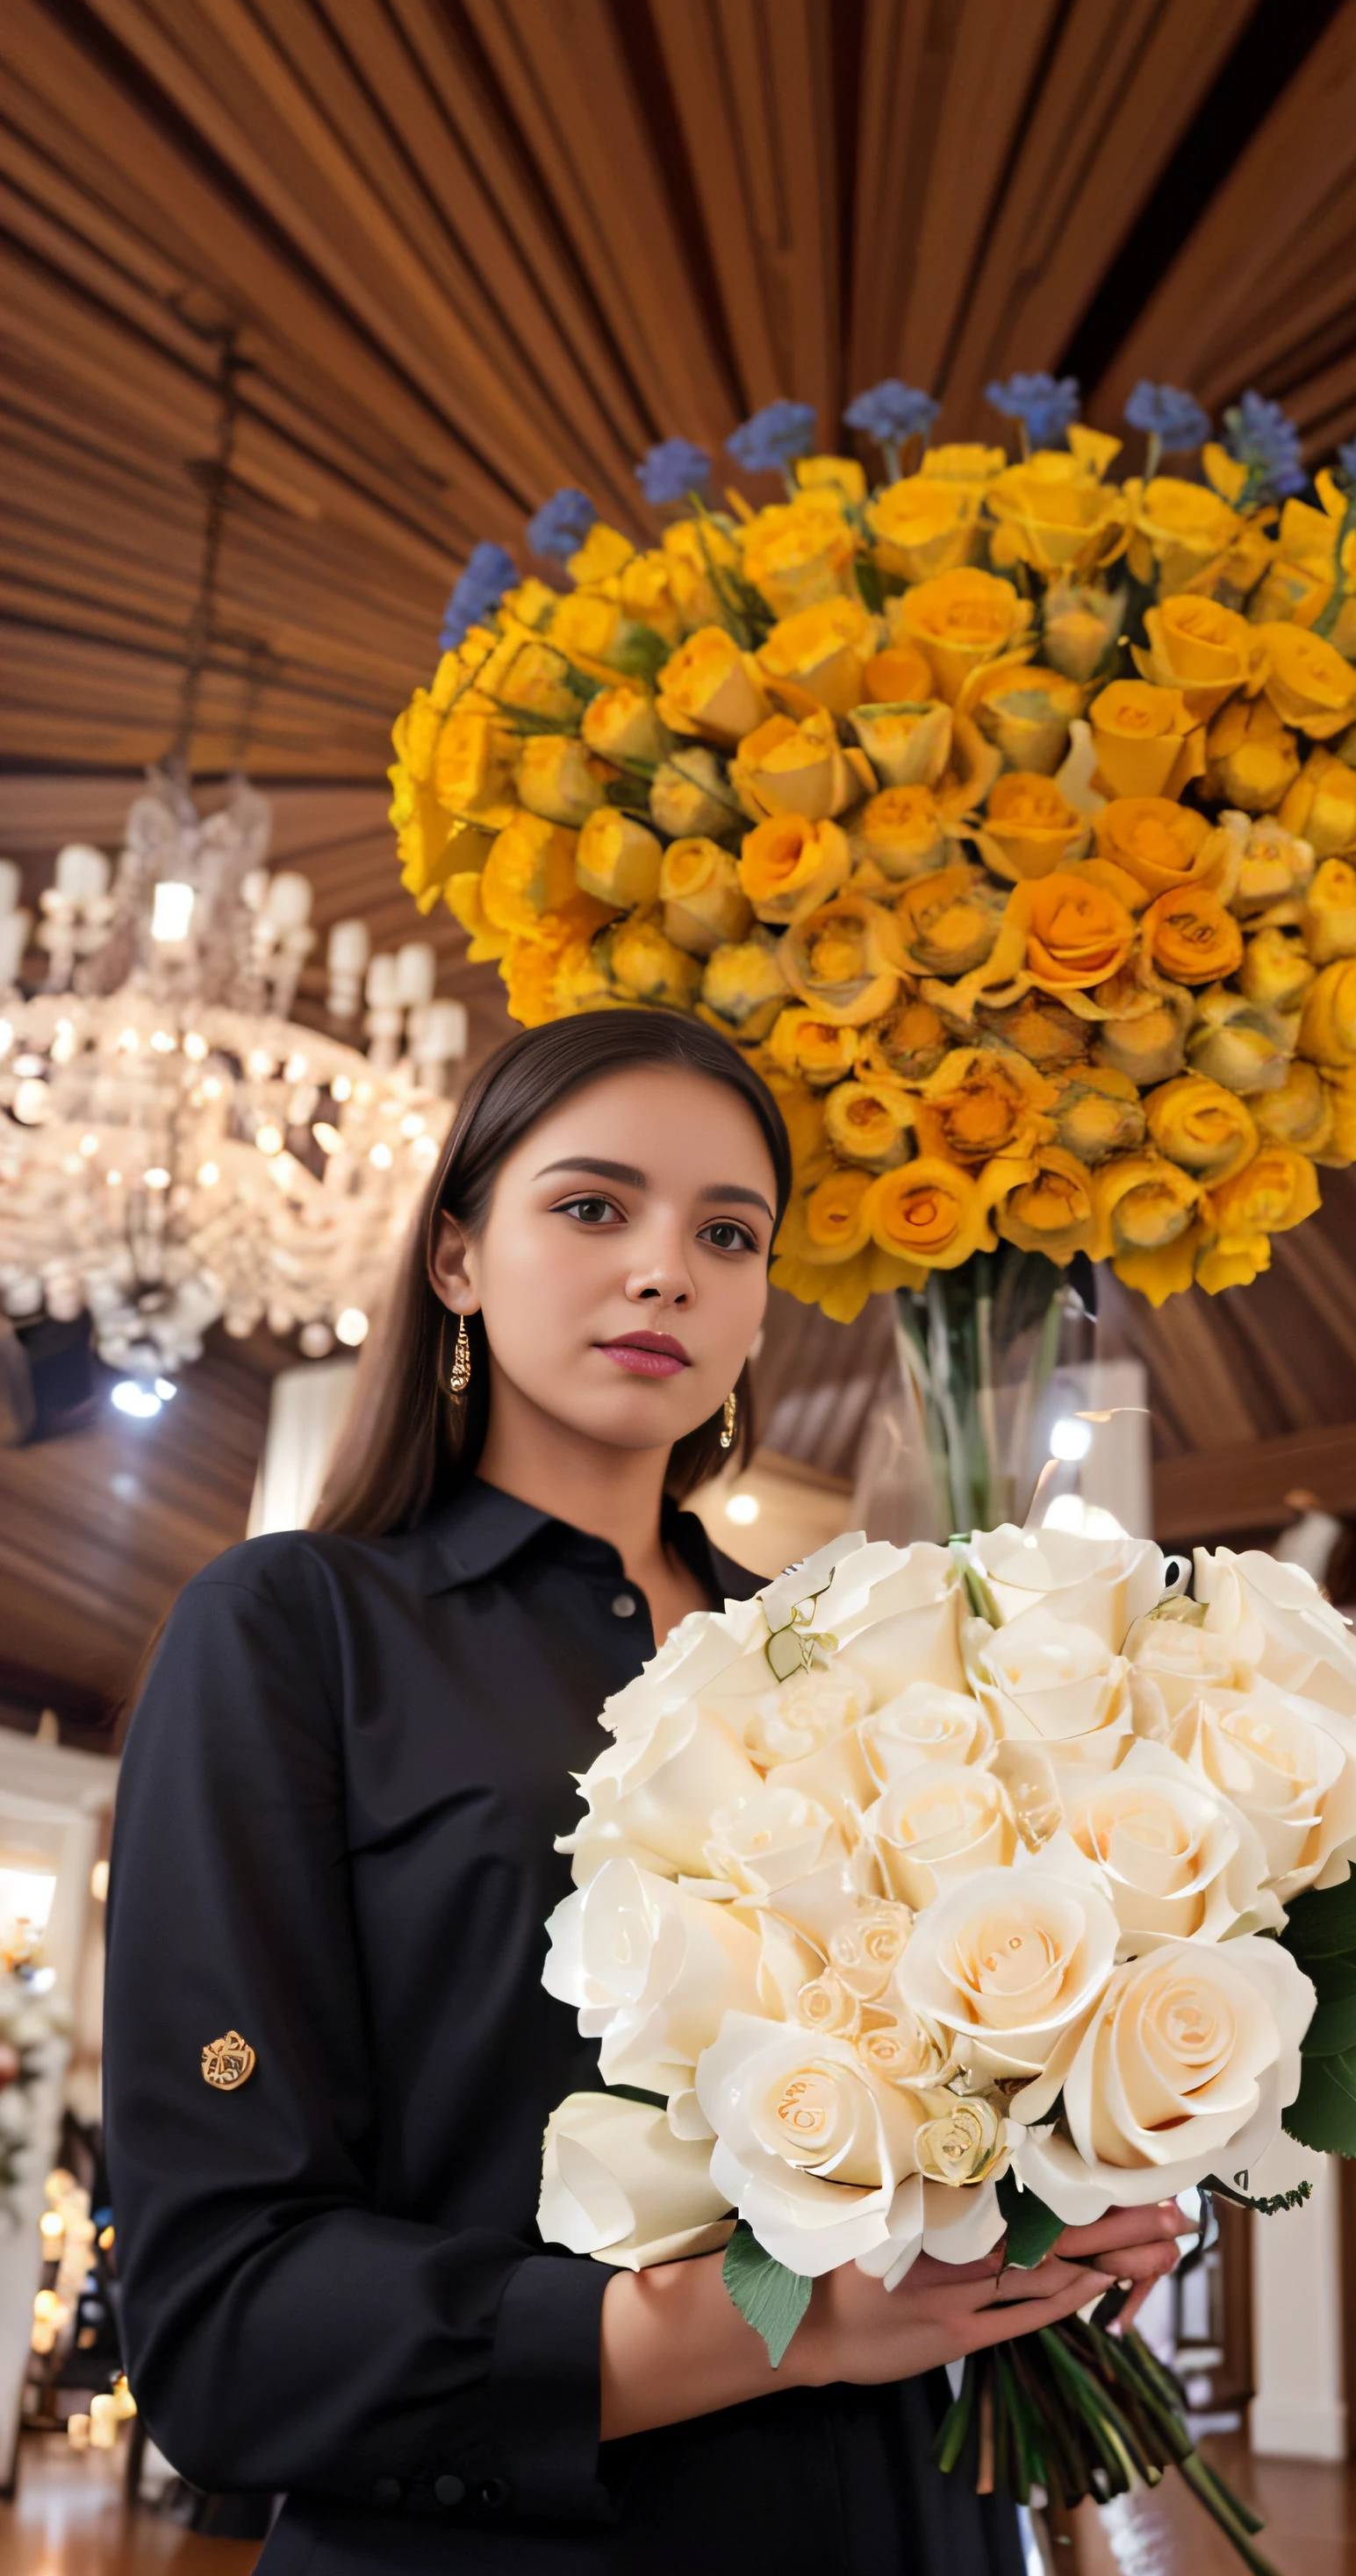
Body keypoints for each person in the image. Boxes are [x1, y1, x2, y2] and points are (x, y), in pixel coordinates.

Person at [104, 1010, 1186, 2576]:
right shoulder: (293, 1630)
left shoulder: (865, 1654)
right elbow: (230, 2329)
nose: (667, 1268)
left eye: (728, 1232)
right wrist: (786, 2325)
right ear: (457, 1256)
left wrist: (1087, 2177)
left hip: (911, 2522)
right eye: (594, 1206)